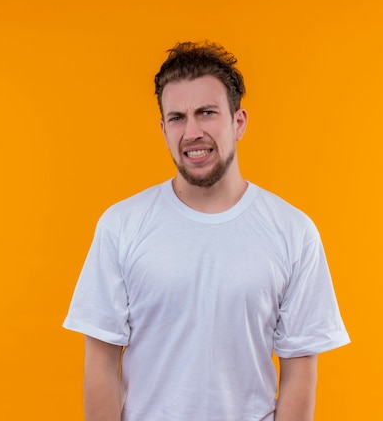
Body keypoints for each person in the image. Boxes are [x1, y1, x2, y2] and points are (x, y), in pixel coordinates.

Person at [63, 41, 350, 421]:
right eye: (178, 118)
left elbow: (300, 372)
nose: (192, 131)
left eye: (207, 113)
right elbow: (100, 363)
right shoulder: (121, 225)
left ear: (238, 122)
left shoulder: (293, 232)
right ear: (163, 129)